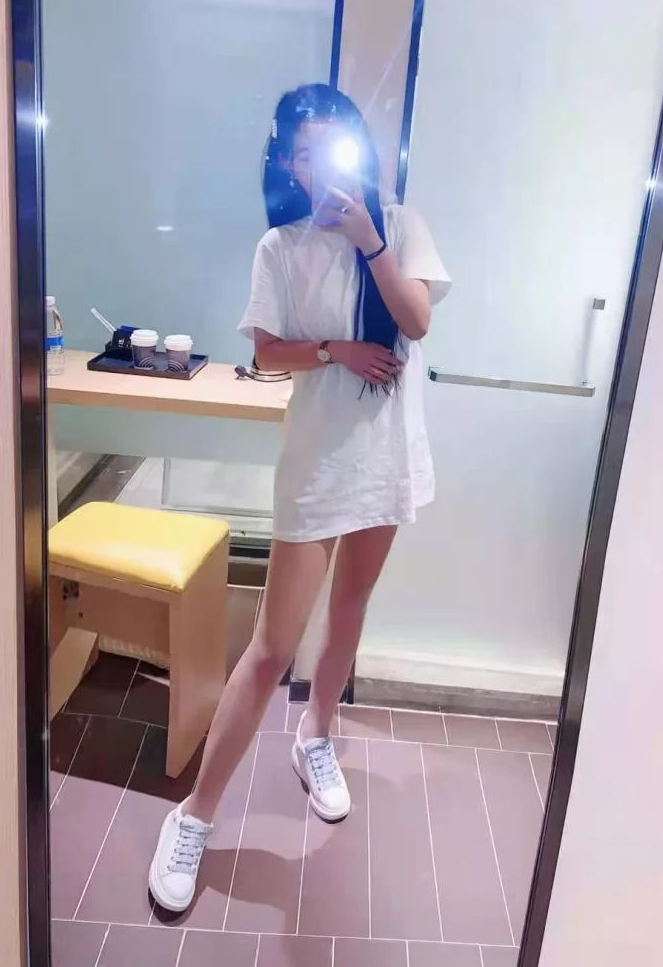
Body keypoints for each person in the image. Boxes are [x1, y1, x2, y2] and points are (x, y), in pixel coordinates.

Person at [148, 83, 450, 913]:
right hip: (319, 465)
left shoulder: (402, 227)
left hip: (386, 460)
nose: (322, 165)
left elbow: (416, 321)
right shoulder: (278, 247)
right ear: (288, 161)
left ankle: (317, 736)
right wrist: (336, 350)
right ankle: (193, 815)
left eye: (336, 146)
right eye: (306, 152)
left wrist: (369, 239)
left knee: (348, 612)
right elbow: (268, 355)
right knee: (272, 648)